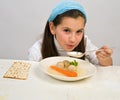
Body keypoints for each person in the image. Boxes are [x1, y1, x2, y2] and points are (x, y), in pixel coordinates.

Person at [28, 0, 113, 66]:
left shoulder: (85, 43)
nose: (73, 39)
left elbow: (105, 68)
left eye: (79, 31)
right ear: (52, 28)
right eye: (66, 30)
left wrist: (105, 59)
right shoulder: (37, 51)